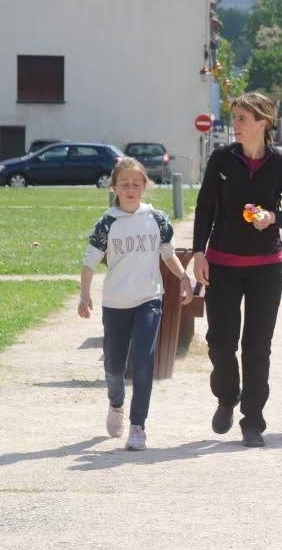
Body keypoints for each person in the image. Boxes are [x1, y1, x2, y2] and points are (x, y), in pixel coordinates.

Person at [192, 93, 282, 447]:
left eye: (242, 118)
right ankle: (227, 397)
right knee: (220, 344)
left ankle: (253, 420)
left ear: (262, 122)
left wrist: (272, 218)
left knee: (257, 347)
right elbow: (204, 207)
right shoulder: (221, 159)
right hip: (222, 264)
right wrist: (198, 253)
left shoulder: (280, 163)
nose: (236, 125)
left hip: (266, 269)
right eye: (235, 118)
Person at [79, 157, 193, 451]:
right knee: (114, 368)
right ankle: (116, 404)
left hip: (148, 300)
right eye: (124, 184)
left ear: (145, 186)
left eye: (136, 184)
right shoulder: (106, 223)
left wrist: (183, 277)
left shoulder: (156, 219)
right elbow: (90, 261)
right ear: (114, 188)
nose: (131, 189)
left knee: (143, 361)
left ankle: (138, 426)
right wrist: (84, 294)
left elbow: (168, 254)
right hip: (115, 303)